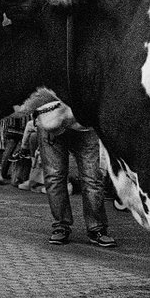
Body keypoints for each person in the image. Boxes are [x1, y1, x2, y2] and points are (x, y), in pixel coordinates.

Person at [37, 98, 115, 247]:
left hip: (84, 122)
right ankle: (62, 225)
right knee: (55, 177)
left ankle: (96, 227)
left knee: (92, 177)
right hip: (51, 119)